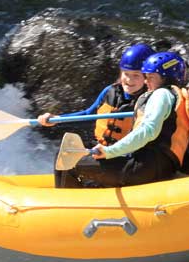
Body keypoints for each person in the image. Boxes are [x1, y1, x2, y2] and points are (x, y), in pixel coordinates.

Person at [55, 51, 189, 188]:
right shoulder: (174, 95)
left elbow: (148, 131)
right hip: (160, 166)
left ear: (165, 78)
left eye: (151, 77)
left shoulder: (161, 95)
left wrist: (110, 152)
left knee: (71, 162)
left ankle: (66, 206)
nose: (146, 81)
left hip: (146, 168)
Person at [37, 43, 153, 186]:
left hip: (124, 158)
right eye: (126, 74)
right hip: (101, 148)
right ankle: (68, 197)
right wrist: (57, 119)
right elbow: (87, 114)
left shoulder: (149, 101)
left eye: (136, 75)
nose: (129, 80)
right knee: (63, 155)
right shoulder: (110, 91)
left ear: (147, 78)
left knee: (71, 164)